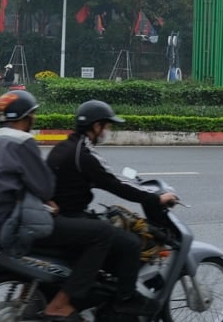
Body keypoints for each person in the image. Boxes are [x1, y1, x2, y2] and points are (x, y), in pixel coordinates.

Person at [0, 90, 117, 322]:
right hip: (7, 226)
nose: (34, 119)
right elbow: (45, 186)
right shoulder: (22, 141)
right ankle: (62, 303)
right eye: (32, 115)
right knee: (102, 234)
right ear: (25, 117)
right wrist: (47, 199)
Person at [47, 100, 179, 318]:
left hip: (62, 215)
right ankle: (124, 299)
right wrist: (156, 199)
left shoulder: (65, 146)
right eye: (107, 127)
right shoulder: (84, 154)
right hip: (69, 217)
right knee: (130, 242)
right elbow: (115, 184)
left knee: (108, 227)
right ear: (96, 126)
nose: (107, 131)